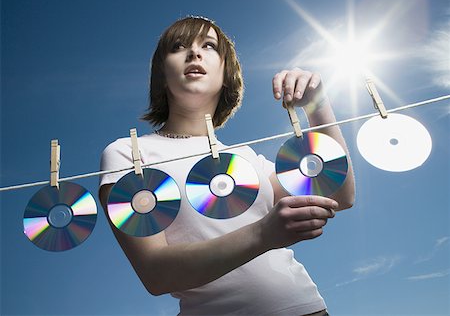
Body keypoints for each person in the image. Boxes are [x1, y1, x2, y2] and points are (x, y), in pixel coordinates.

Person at [99, 16, 355, 316]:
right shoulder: (129, 153)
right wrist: (264, 234)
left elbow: (339, 194)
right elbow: (156, 274)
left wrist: (317, 103)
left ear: (226, 72)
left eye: (208, 46)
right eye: (178, 46)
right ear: (161, 74)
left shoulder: (247, 159)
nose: (194, 53)